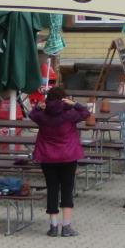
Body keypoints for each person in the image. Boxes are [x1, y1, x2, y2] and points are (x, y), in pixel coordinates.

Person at [31, 86, 93, 237]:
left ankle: (53, 226)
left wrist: (38, 106)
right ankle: (66, 226)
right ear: (63, 99)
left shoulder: (42, 116)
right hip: (68, 156)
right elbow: (86, 113)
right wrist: (74, 103)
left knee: (52, 189)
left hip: (47, 157)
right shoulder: (70, 114)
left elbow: (31, 114)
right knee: (67, 189)